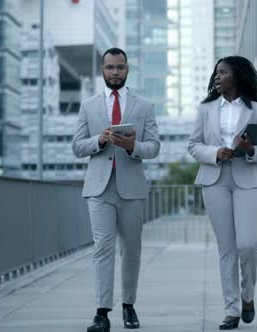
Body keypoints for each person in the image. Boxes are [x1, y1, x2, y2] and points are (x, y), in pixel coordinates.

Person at [72, 47, 160, 332]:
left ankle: (129, 306)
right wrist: (99, 140)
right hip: (99, 189)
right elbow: (77, 146)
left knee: (132, 250)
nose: (115, 72)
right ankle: (101, 313)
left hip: (132, 188)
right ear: (102, 70)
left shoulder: (145, 106)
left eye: (120, 67)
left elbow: (154, 147)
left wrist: (132, 146)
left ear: (127, 69)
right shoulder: (88, 105)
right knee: (103, 248)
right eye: (109, 67)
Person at [188, 56, 257, 330]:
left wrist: (249, 150)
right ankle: (232, 309)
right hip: (215, 179)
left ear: (237, 76)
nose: (217, 77)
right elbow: (193, 145)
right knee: (227, 248)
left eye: (222, 72)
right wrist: (215, 152)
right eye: (216, 73)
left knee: (248, 245)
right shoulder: (206, 109)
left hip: (247, 178)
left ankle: (248, 296)